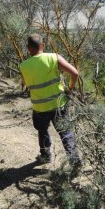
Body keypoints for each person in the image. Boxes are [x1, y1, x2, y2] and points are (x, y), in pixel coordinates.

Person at [19, 33, 82, 167]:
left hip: (39, 108)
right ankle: (74, 161)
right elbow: (75, 73)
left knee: (42, 131)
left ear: (28, 48)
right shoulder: (54, 58)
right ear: (43, 45)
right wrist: (69, 88)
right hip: (59, 105)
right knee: (66, 133)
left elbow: (24, 84)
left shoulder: (23, 66)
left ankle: (46, 156)